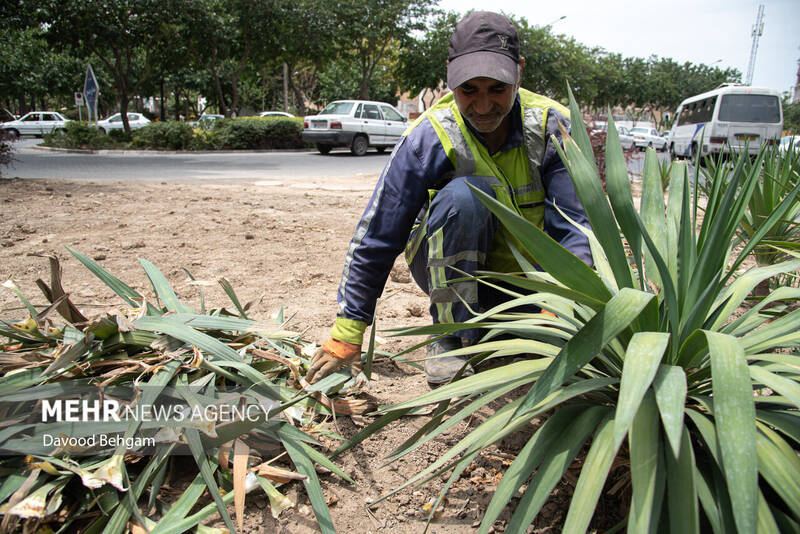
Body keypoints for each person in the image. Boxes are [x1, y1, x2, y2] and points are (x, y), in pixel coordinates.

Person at [306, 11, 593, 386]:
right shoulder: (430, 136)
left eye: (497, 89)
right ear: (450, 77)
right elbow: (378, 235)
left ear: (519, 73)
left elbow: (576, 227)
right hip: (454, 277)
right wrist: (347, 333)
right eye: (469, 90)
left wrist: (560, 310)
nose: (484, 106)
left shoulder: (553, 127)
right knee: (467, 197)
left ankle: (516, 328)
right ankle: (452, 336)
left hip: (531, 291)